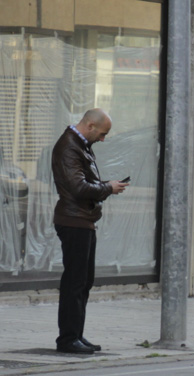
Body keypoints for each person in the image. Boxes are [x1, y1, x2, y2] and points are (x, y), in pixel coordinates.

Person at [51, 108, 128, 354]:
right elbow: (77, 187)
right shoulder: (69, 147)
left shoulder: (80, 145)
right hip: (74, 220)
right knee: (75, 282)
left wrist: (104, 187)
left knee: (84, 281)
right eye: (103, 134)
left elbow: (83, 182)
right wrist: (107, 188)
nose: (103, 139)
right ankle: (68, 339)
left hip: (83, 220)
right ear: (90, 126)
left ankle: (76, 335)